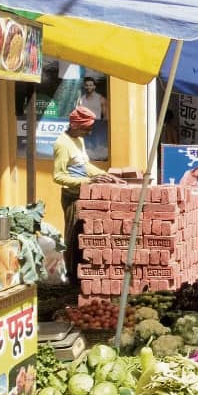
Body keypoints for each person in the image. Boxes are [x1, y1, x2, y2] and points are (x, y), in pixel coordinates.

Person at [53, 106, 122, 277]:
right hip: (72, 196)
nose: (90, 132)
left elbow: (85, 166)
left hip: (84, 193)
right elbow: (58, 176)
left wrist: (106, 175)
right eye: (87, 128)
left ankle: (80, 273)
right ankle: (71, 276)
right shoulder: (62, 144)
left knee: (83, 235)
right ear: (76, 125)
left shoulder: (79, 141)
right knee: (73, 236)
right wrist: (88, 181)